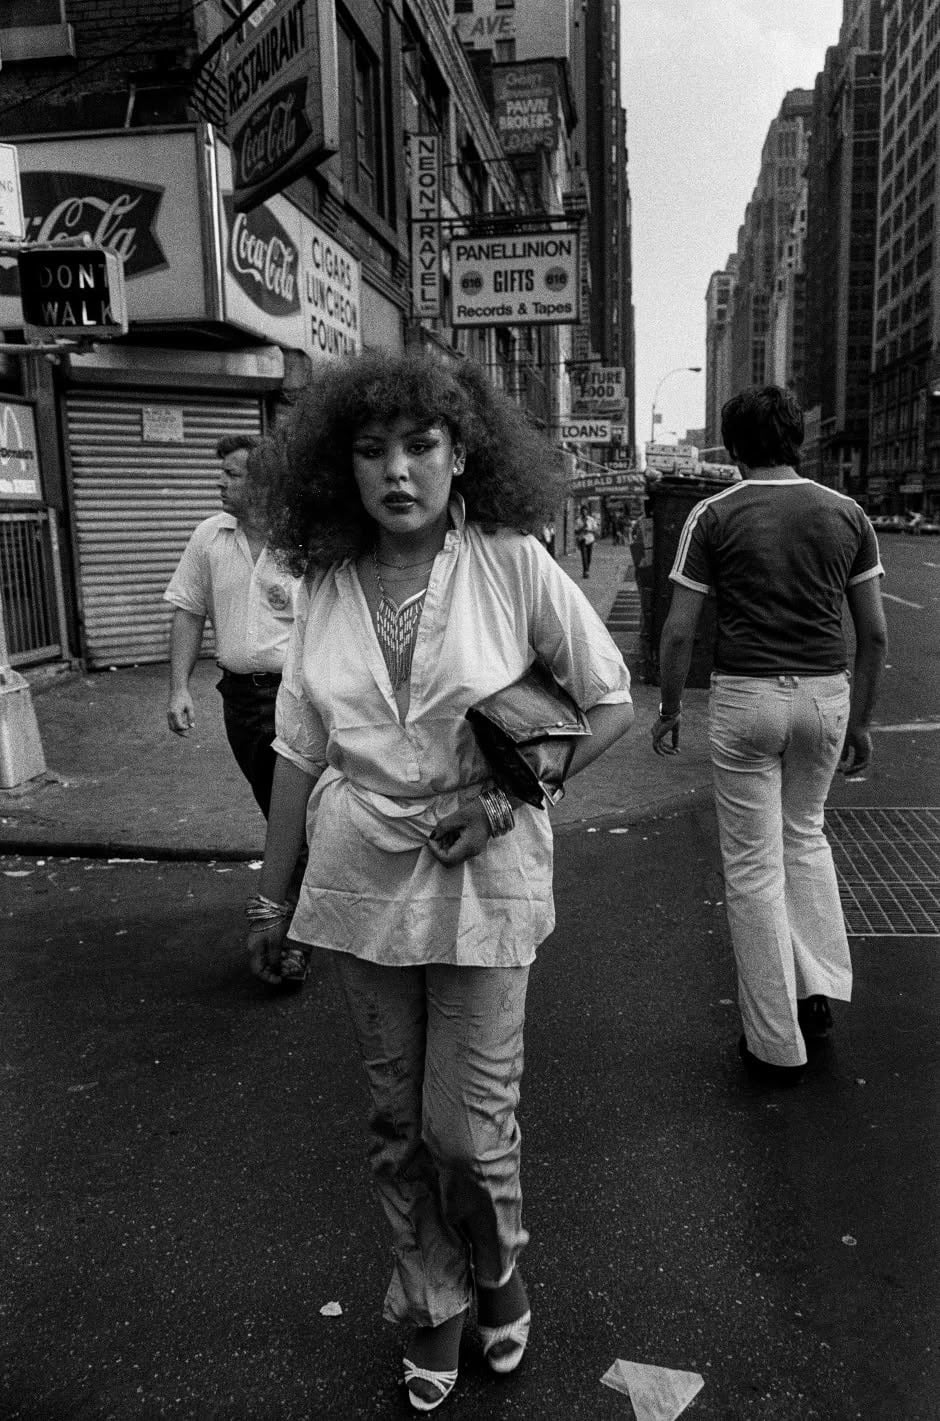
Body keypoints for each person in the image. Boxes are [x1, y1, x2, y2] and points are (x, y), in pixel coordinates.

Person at [247, 351, 634, 1411]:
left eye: (420, 445)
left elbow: (607, 702)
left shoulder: (509, 559)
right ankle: (434, 1302)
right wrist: (272, 900)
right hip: (358, 877)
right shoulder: (325, 581)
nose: (397, 471)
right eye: (371, 450)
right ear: (343, 469)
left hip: (485, 870)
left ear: (462, 455)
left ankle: (498, 1262)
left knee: (464, 1127)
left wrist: (504, 799)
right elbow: (296, 753)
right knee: (395, 1122)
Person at [652, 386, 887, 1085]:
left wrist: (669, 711)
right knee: (806, 836)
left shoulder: (712, 514)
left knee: (753, 867)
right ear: (797, 441)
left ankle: (771, 1040)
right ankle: (818, 994)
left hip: (746, 697)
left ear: (733, 445)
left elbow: (678, 631)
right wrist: (864, 720)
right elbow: (873, 633)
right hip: (824, 695)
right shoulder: (848, 513)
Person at [574, 502, 598, 578]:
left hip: (590, 539)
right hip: (582, 539)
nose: (584, 512)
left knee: (589, 556)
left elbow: (595, 530)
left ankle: (587, 569)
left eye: (585, 511)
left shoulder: (591, 519)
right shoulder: (578, 520)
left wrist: (589, 530)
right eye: (583, 511)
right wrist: (582, 528)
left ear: (587, 511)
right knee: (584, 556)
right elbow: (576, 531)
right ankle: (585, 572)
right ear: (581, 512)